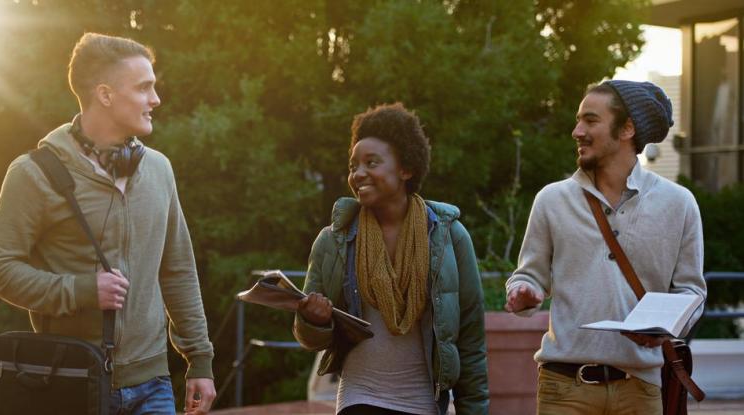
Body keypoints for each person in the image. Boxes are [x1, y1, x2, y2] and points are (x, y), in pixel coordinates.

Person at [0, 33, 215, 415]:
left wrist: (199, 360)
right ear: (105, 95)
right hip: (71, 380)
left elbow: (177, 270)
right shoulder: (33, 174)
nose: (155, 100)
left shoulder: (159, 169)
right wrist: (80, 291)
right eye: (144, 88)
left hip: (153, 383)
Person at [505, 80, 707, 414]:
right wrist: (523, 291)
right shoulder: (551, 200)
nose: (577, 131)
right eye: (578, 120)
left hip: (641, 389)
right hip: (564, 388)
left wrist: (663, 329)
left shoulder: (679, 204)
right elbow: (528, 277)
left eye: (590, 120)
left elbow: (691, 292)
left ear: (627, 128)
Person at [293, 103, 489, 415]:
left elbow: (469, 340)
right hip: (360, 398)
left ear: (406, 168)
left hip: (423, 402)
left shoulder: (450, 238)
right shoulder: (334, 241)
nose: (358, 174)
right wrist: (313, 319)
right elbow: (310, 338)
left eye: (371, 163)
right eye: (354, 165)